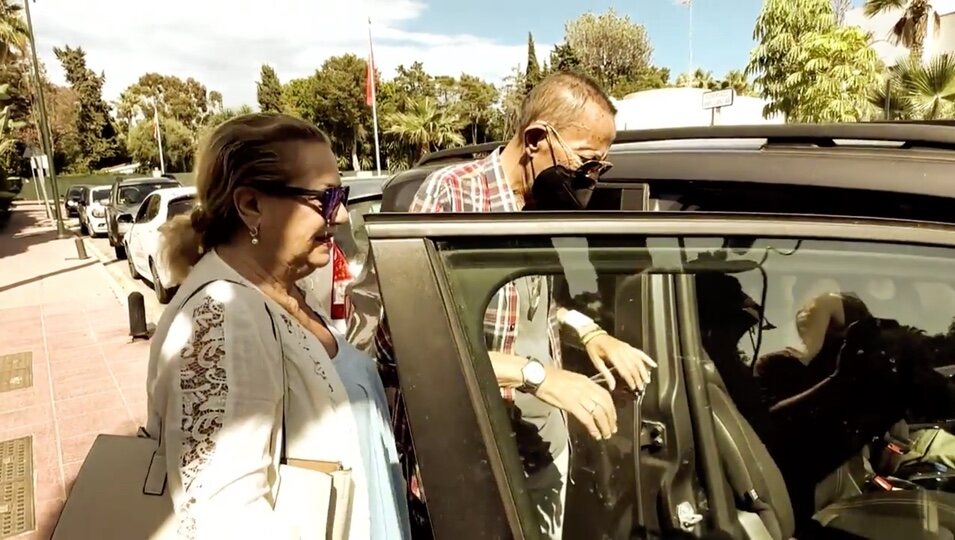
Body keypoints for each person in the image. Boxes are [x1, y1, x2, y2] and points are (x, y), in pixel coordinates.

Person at [359, 72, 658, 539]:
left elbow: (537, 303)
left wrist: (590, 331)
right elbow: (409, 346)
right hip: (471, 463)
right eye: (586, 161)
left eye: (602, 167)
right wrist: (538, 375)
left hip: (541, 454)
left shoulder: (547, 203)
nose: (591, 178)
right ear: (537, 139)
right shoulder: (454, 196)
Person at [145, 113, 410, 539]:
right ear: (251, 205)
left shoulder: (282, 294)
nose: (340, 215)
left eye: (340, 195)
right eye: (325, 198)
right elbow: (224, 524)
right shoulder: (226, 317)